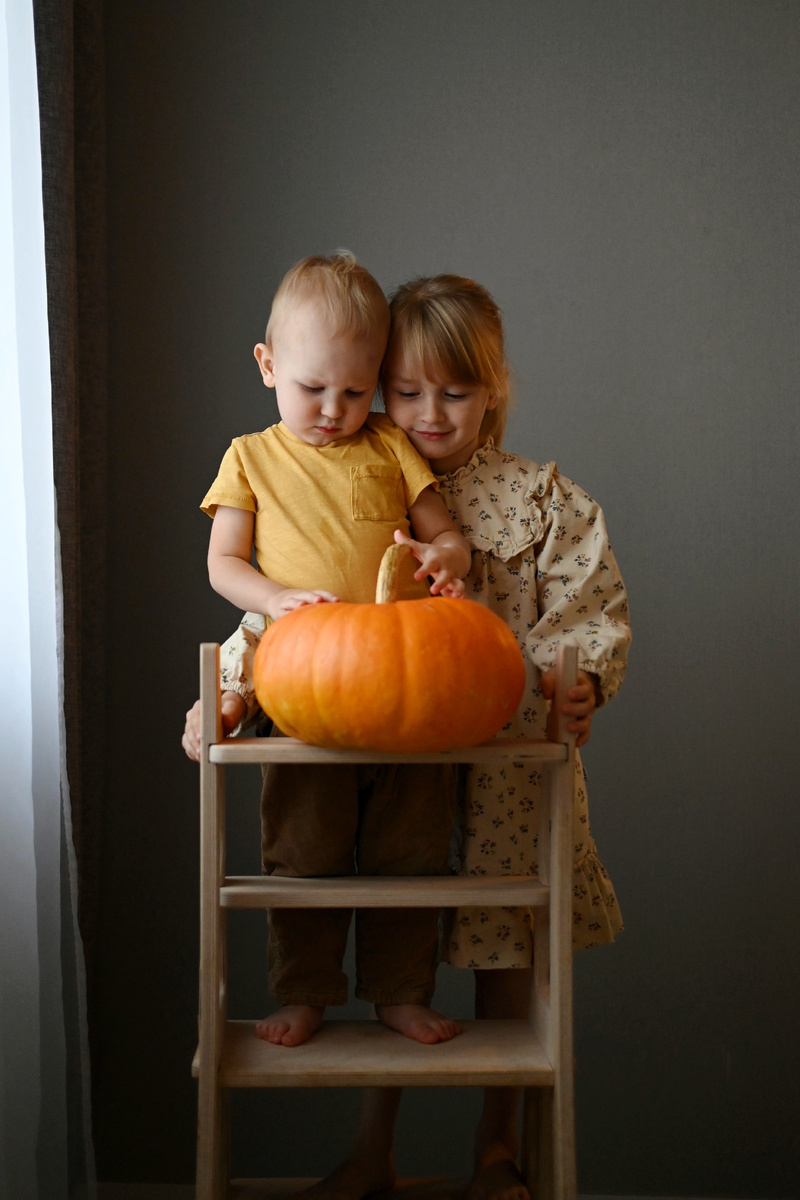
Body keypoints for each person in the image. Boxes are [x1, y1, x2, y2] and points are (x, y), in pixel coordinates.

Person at [185, 272, 631, 1200]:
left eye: (455, 392)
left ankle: (498, 1152)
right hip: (387, 740)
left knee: (504, 948)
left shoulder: (542, 499)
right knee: (392, 913)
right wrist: (222, 690)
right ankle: (372, 1147)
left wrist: (577, 681)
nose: (426, 413)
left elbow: (586, 607)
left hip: (506, 763)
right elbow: (308, 623)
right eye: (403, 390)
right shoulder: (362, 464)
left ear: (494, 389)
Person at [200, 252, 472, 1049]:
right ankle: (307, 991)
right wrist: (275, 598)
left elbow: (442, 530)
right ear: (268, 364)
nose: (332, 408)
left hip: (404, 682)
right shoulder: (250, 456)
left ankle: (399, 991)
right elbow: (223, 564)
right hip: (302, 679)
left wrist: (447, 557)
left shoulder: (389, 444)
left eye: (355, 391)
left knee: (411, 850)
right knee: (304, 848)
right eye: (312, 388)